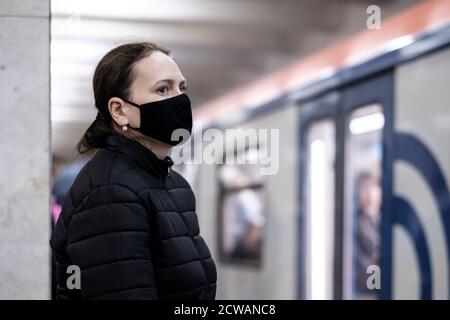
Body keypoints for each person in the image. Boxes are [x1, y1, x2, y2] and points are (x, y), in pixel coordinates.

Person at [50, 42, 217, 300]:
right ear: (119, 111)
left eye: (181, 88)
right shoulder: (109, 192)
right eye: (163, 89)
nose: (180, 99)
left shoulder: (174, 185)